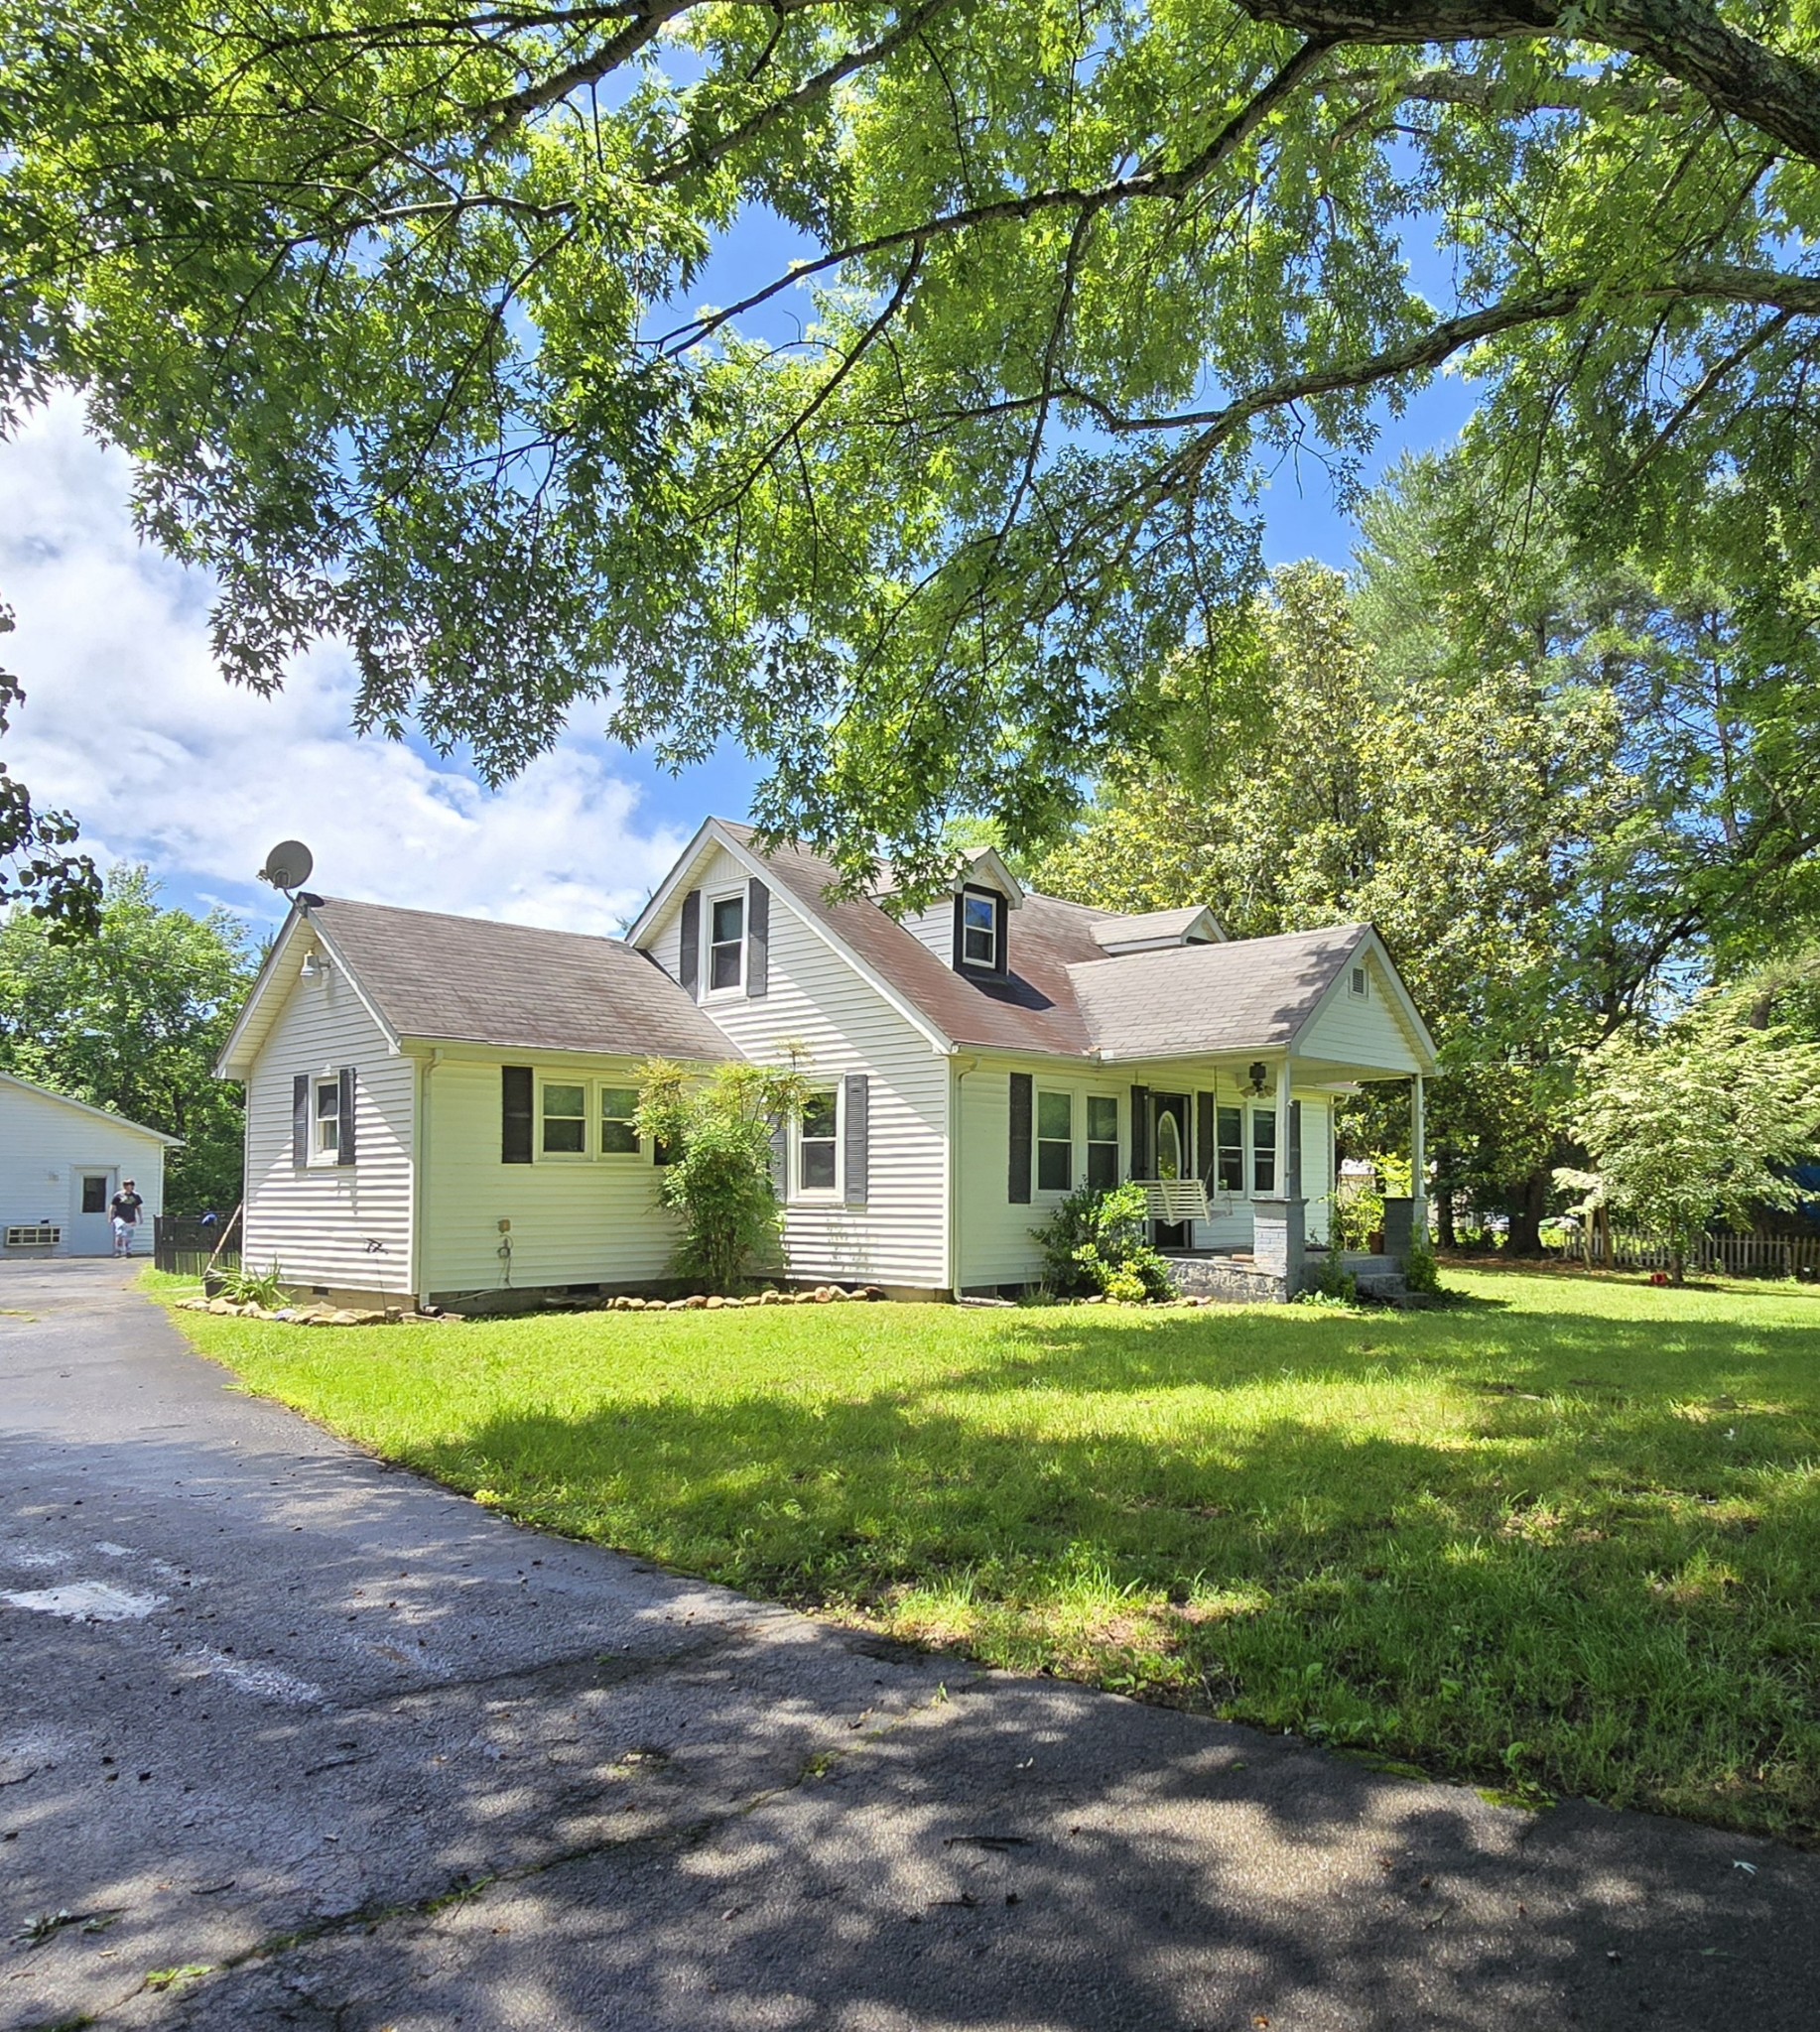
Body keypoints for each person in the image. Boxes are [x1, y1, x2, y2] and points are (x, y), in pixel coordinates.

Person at [109, 1180, 145, 1258]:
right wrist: (110, 1217)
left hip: (131, 1218)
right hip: (119, 1217)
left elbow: (138, 1207)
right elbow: (113, 1206)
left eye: (130, 1185)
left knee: (129, 1236)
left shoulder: (136, 1196)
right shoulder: (118, 1195)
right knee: (120, 1233)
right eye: (126, 1185)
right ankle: (118, 1250)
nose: (128, 1187)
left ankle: (128, 1251)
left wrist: (140, 1217)